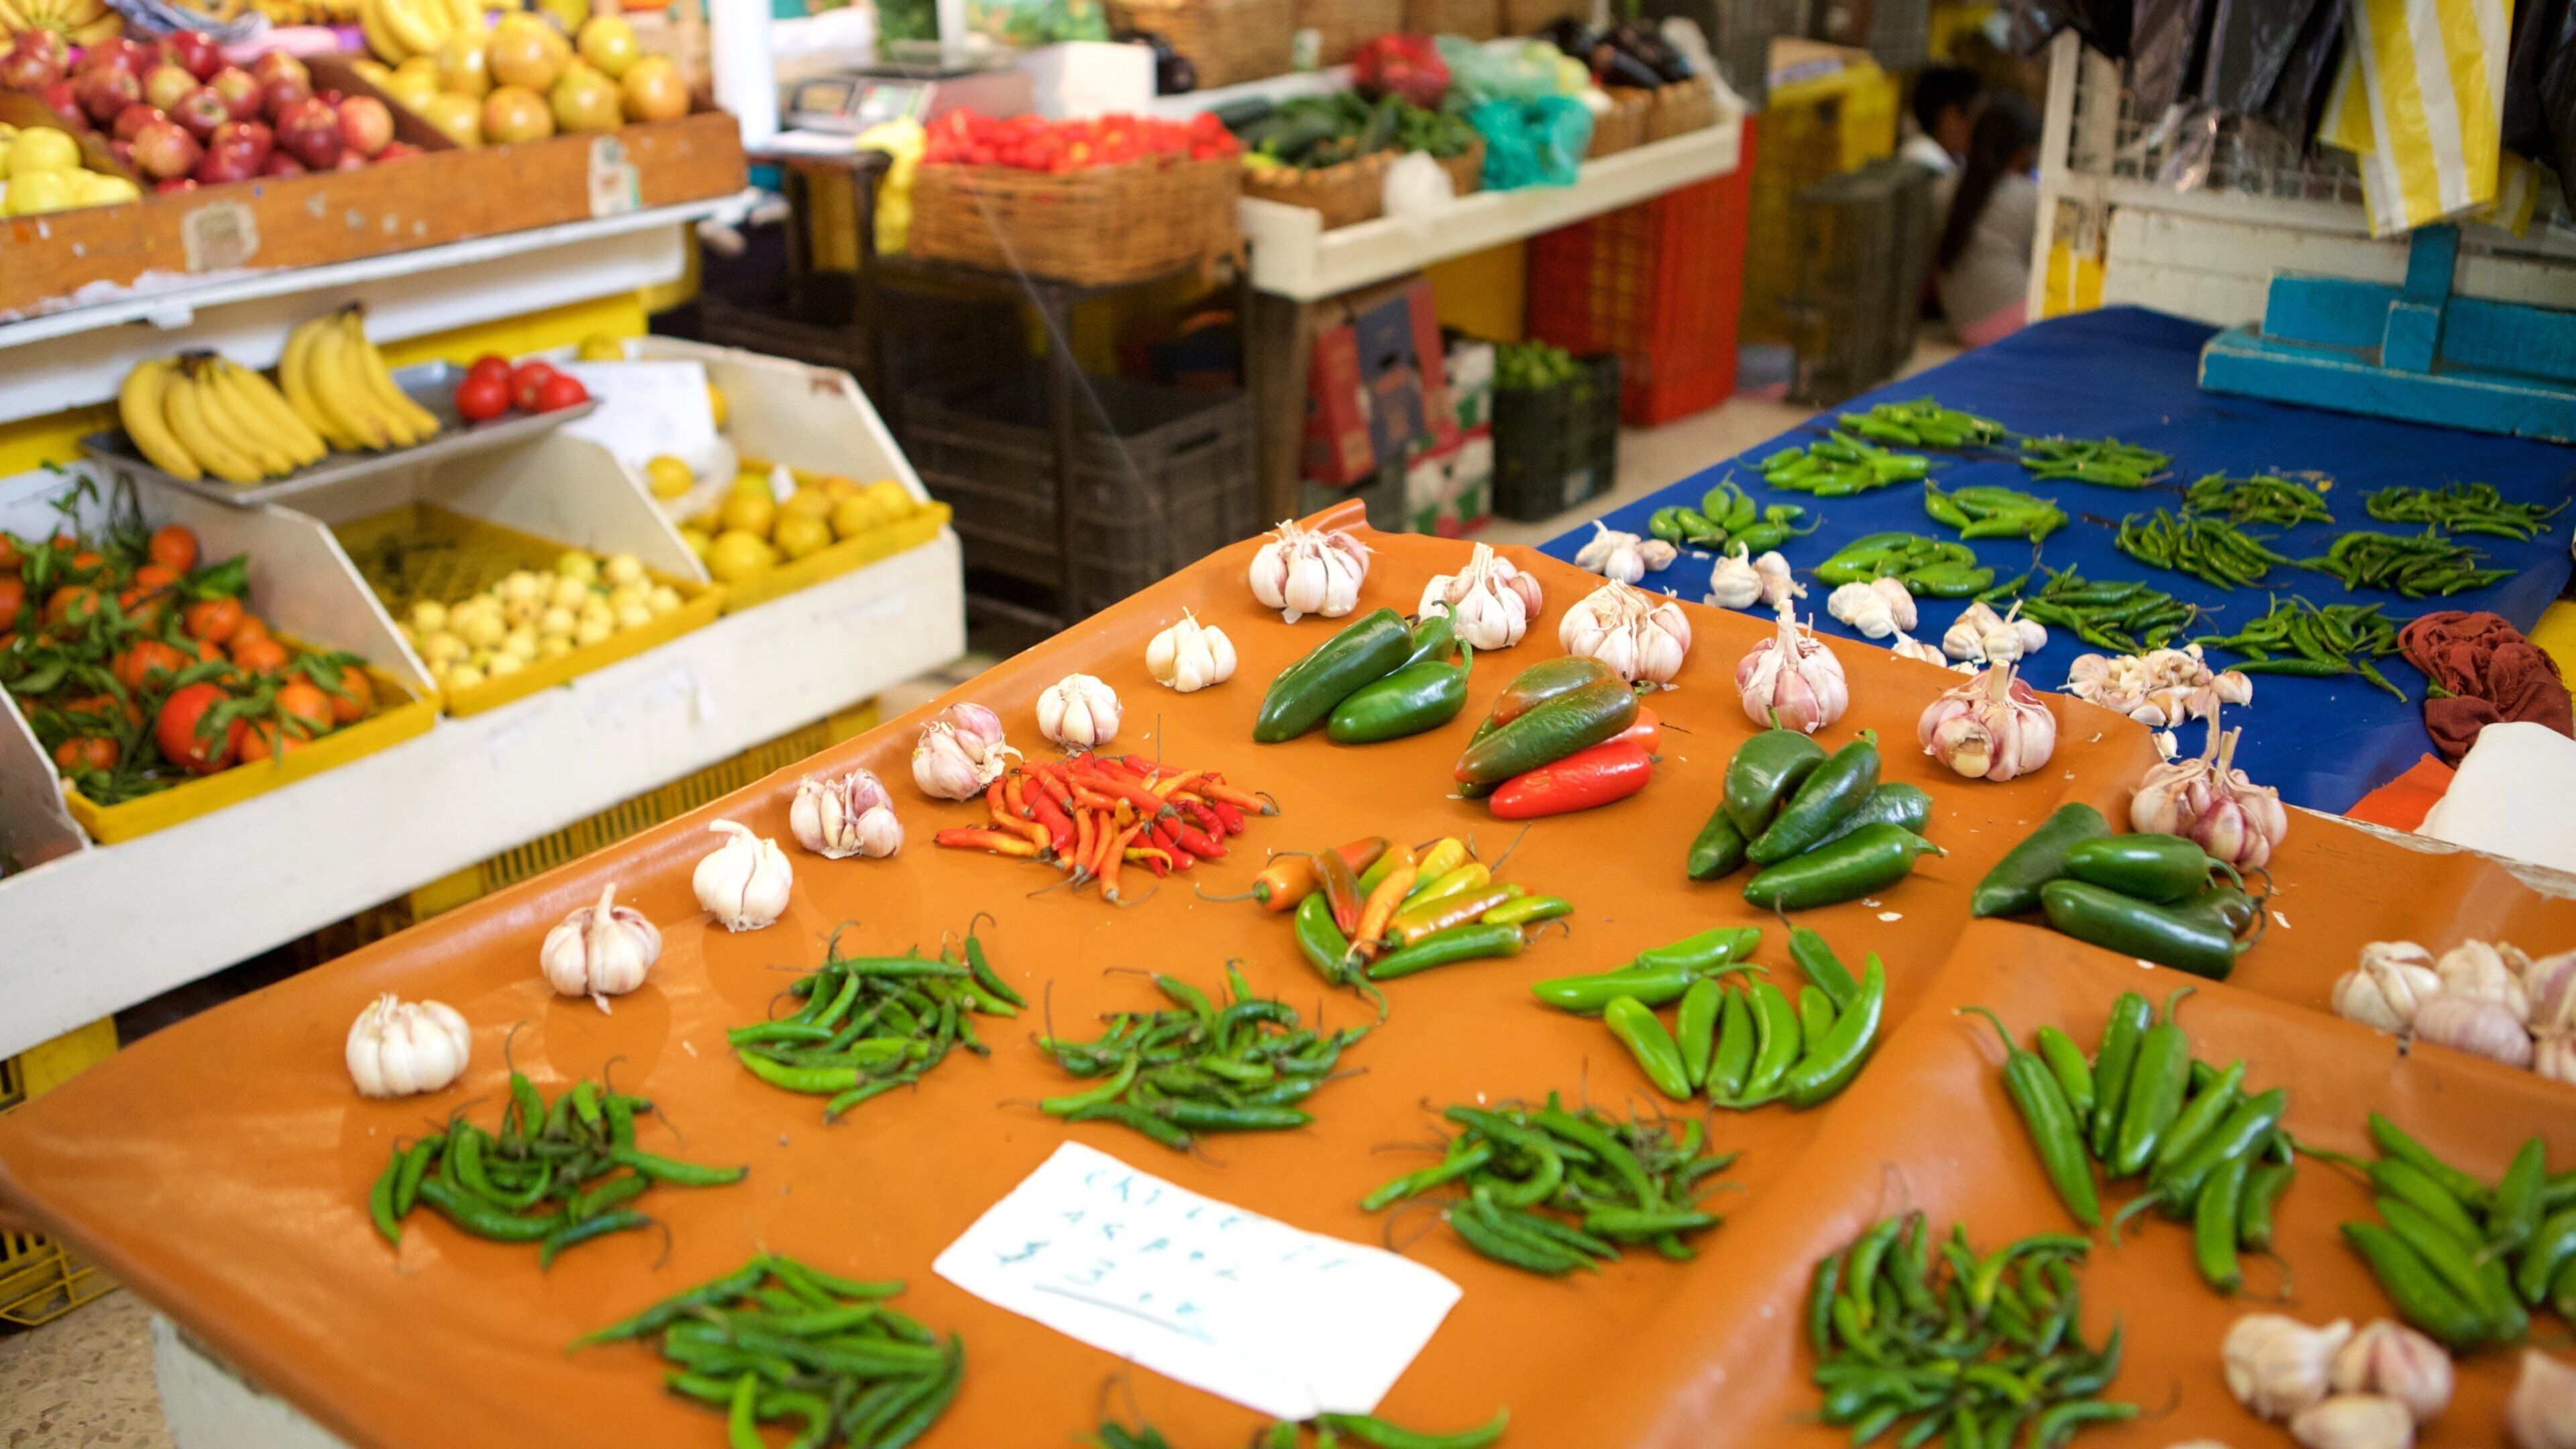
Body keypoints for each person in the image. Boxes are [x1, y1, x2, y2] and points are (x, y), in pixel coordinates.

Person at [1934, 93, 2041, 348]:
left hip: (1963, 326)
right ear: (2024, 152)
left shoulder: (1945, 186)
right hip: (2018, 326)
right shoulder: (2027, 194)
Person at [1902, 66, 1984, 176]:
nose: (1982, 127)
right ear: (1951, 119)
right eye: (1977, 118)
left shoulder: (1954, 161)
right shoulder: (1921, 160)